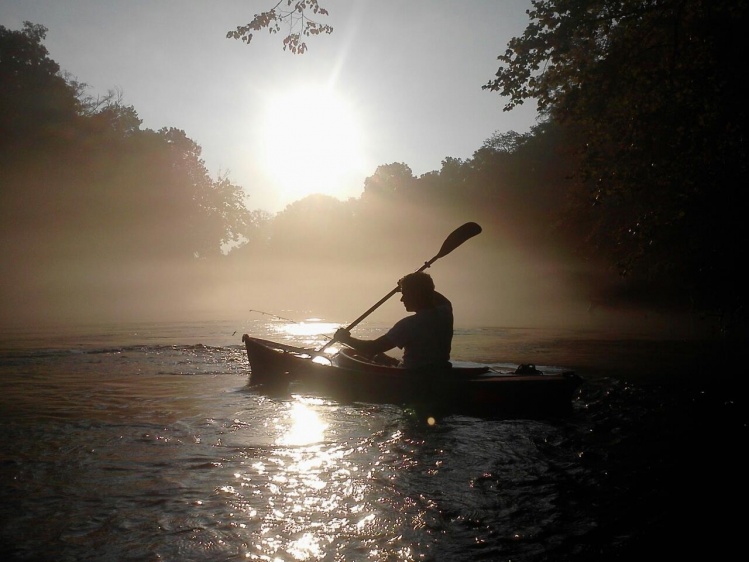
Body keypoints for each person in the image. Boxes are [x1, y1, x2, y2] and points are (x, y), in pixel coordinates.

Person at [334, 272, 453, 371]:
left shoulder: (409, 325)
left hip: (412, 375)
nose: (402, 299)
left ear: (415, 294)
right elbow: (433, 295)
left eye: (405, 294)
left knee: (356, 356)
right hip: (440, 370)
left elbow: (373, 347)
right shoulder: (445, 313)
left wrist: (345, 339)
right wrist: (407, 284)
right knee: (379, 357)